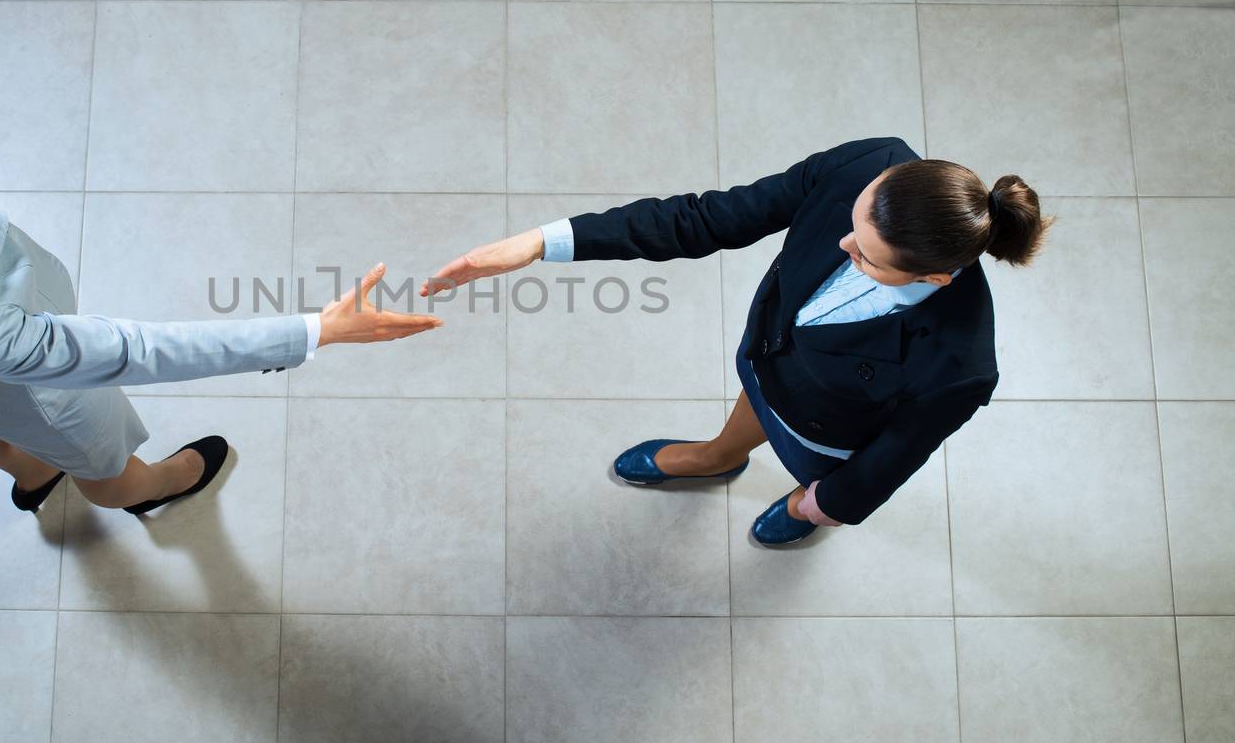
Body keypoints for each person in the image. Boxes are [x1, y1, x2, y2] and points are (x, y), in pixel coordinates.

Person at [0, 116, 440, 515]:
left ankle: (30, 479)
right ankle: (149, 493)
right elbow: (137, 350)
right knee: (107, 467)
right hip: (50, 394)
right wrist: (313, 330)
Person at [423, 137, 1050, 545]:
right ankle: (719, 455)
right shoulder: (868, 163)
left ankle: (798, 504)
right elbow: (703, 218)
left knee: (811, 487)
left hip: (824, 433)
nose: (841, 246)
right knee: (756, 397)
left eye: (866, 257)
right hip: (769, 360)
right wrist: (537, 244)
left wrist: (824, 506)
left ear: (934, 277)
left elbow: (892, 459)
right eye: (855, 220)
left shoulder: (960, 362)